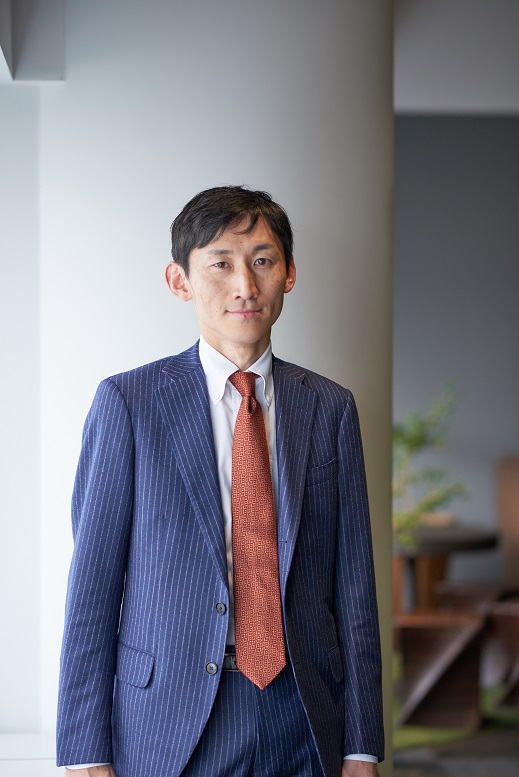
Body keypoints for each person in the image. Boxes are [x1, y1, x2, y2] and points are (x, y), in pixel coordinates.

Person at [56, 186, 384, 777]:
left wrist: (361, 745)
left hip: (304, 713)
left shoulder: (330, 407)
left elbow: (354, 587)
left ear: (289, 274)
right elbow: (92, 588)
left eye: (263, 260)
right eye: (221, 264)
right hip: (168, 716)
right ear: (179, 280)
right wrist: (84, 752)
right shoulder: (129, 403)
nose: (245, 285)